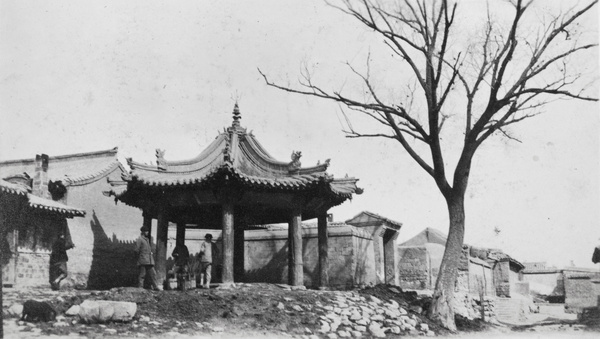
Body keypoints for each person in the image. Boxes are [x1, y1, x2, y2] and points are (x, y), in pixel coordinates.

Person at [135, 226, 161, 291]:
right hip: (143, 260)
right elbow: (136, 250)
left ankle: (155, 286)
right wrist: (139, 258)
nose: (147, 232)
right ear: (143, 232)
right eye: (146, 231)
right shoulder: (140, 239)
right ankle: (140, 288)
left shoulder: (147, 240)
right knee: (142, 274)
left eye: (147, 231)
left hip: (149, 260)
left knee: (153, 274)